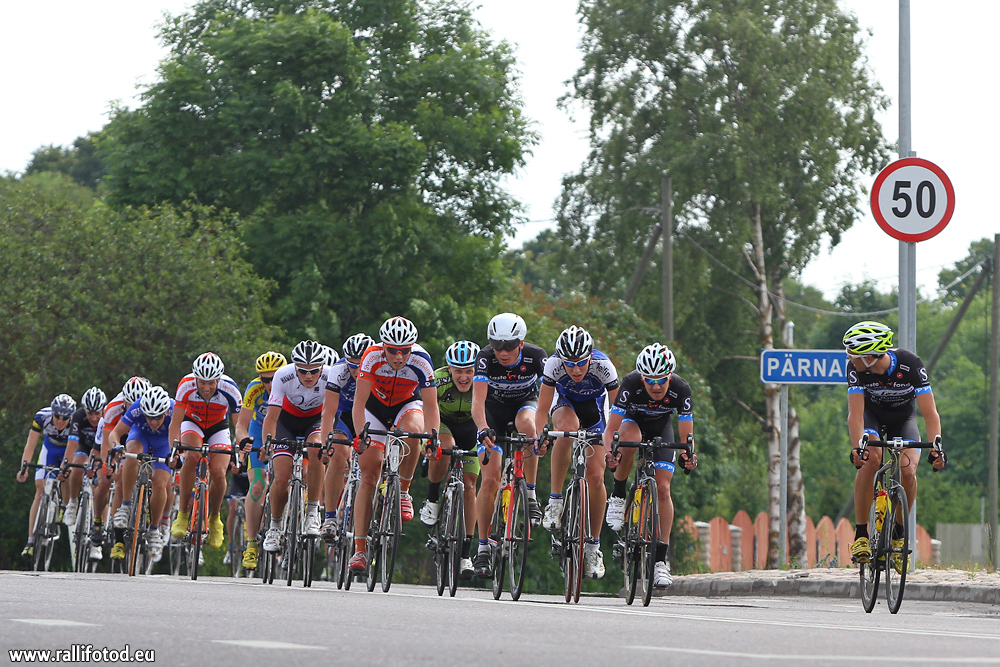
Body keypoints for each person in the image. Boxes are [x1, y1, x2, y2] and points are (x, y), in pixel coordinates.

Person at [843, 321, 945, 570]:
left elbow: (930, 413)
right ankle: (861, 535)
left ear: (869, 357)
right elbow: (855, 415)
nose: (849, 357)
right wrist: (858, 448)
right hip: (872, 418)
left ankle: (899, 534)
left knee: (908, 470)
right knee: (871, 460)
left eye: (852, 353)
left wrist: (936, 447)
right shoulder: (855, 368)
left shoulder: (911, 364)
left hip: (903, 420)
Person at [347, 317, 439, 575]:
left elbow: (431, 407)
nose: (399, 357)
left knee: (414, 431)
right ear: (383, 346)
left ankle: (404, 491)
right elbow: (358, 403)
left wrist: (432, 438)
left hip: (406, 405)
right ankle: (360, 550)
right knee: (369, 475)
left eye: (405, 351)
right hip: (374, 408)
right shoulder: (371, 356)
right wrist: (360, 435)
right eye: (393, 350)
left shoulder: (422, 360)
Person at [603, 343, 697, 588]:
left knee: (663, 489)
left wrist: (688, 456)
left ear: (670, 376)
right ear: (642, 378)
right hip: (631, 424)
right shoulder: (630, 383)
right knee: (629, 439)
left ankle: (660, 562)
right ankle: (618, 494)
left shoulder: (681, 389)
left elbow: (686, 437)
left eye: (661, 380)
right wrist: (610, 453)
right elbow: (611, 430)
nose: (656, 386)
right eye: (650, 381)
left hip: (660, 429)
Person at [536, 325, 620, 579]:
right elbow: (542, 409)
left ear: (590, 357)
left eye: (581, 363)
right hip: (564, 405)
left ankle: (594, 546)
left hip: (596, 411)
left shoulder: (604, 366)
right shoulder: (553, 365)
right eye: (569, 364)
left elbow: (619, 411)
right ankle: (555, 501)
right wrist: (540, 436)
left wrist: (613, 445)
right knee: (567, 429)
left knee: (596, 477)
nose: (575, 369)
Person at [471, 312, 546, 578]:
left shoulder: (536, 356)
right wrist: (482, 428)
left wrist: (544, 432)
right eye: (497, 345)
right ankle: (482, 548)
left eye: (509, 346)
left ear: (521, 343)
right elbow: (477, 403)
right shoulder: (485, 357)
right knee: (489, 480)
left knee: (528, 426)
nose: (502, 352)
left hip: (525, 404)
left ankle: (531, 494)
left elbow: (549, 396)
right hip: (493, 412)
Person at [168, 352, 243, 551]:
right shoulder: (186, 385)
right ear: (196, 379)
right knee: (191, 456)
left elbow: (240, 427)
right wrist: (173, 451)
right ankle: (182, 513)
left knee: (218, 472)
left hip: (219, 427)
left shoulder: (231, 389)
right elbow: (175, 424)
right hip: (192, 423)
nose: (206, 387)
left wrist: (240, 454)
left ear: (219, 379)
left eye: (211, 382)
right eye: (202, 382)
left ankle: (215, 518)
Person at [261, 341, 331, 552]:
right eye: (303, 371)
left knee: (317, 449)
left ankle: (312, 512)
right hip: (286, 422)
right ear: (295, 368)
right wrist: (267, 444)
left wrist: (329, 443)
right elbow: (272, 417)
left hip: (315, 421)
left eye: (314, 371)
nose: (308, 376)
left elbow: (331, 413)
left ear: (322, 368)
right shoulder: (283, 375)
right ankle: (275, 526)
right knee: (282, 477)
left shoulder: (330, 376)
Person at [419, 340, 482, 579]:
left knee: (470, 486)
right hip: (443, 424)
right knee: (445, 447)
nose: (464, 377)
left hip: (470, 429)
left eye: (469, 371)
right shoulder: (438, 379)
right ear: (449, 368)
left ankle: (465, 554)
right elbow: (427, 409)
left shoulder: (483, 381)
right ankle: (432, 498)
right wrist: (429, 439)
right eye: (458, 371)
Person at [108, 386, 175, 562]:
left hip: (164, 442)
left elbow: (184, 437)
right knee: (131, 454)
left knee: (160, 483)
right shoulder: (137, 407)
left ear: (165, 412)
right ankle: (126, 505)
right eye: (149, 417)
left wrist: (179, 457)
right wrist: (116, 446)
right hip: (140, 435)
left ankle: (154, 530)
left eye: (158, 417)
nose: (153, 422)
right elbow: (115, 432)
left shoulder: (175, 409)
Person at [234, 350, 286, 570]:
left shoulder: (291, 385)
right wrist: (244, 440)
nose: (270, 384)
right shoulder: (255, 389)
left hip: (283, 430)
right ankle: (251, 544)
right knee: (257, 486)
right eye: (265, 379)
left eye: (275, 378)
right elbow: (241, 425)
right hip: (259, 428)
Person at [319, 333, 373, 541]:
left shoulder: (379, 368)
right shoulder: (338, 371)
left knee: (376, 461)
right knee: (338, 454)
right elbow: (328, 412)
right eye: (352, 365)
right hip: (345, 417)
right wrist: (326, 444)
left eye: (362, 365)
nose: (357, 371)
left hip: (370, 416)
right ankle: (330, 518)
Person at [94, 377, 151, 560]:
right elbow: (107, 443)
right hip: (118, 435)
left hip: (142, 433)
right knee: (115, 481)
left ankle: (147, 509)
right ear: (124, 400)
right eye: (129, 403)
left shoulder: (151, 405)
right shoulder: (113, 408)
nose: (133, 406)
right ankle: (114, 534)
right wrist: (109, 463)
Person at [16, 394, 78, 558]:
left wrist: (65, 468)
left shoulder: (76, 422)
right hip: (49, 449)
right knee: (39, 490)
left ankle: (64, 506)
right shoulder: (42, 417)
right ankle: (30, 541)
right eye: (57, 416)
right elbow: (30, 445)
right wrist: (24, 468)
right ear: (52, 413)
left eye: (65, 418)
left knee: (65, 475)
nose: (60, 421)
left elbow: (74, 448)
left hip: (67, 450)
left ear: (70, 417)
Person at [63, 387, 107, 533]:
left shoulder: (109, 415)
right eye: (90, 413)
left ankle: (100, 526)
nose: (93, 418)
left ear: (103, 410)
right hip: (85, 447)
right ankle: (73, 502)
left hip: (101, 449)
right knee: (76, 467)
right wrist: (66, 465)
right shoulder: (78, 416)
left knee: (101, 483)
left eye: (97, 413)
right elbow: (72, 444)